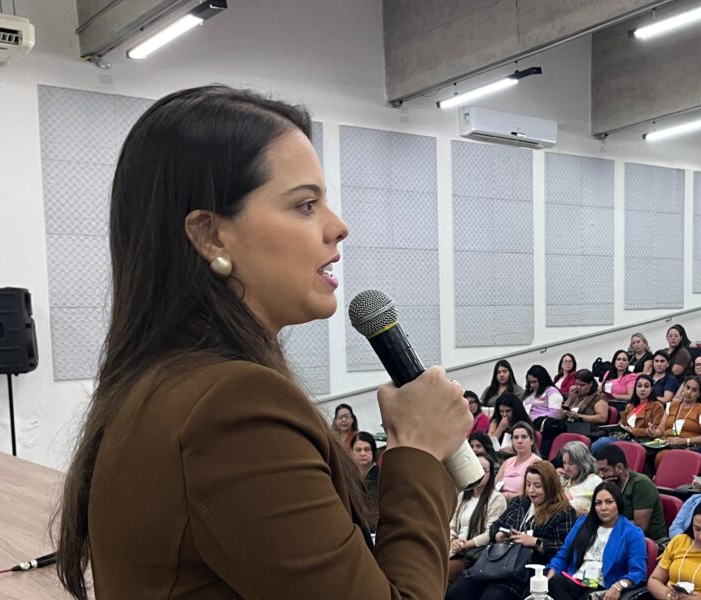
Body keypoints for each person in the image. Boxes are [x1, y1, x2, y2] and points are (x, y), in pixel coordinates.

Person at [56, 86, 473, 599]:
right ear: (210, 235)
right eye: (305, 205)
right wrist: (418, 450)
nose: (338, 227)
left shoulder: (161, 383)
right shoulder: (232, 406)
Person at [446, 461, 576, 600]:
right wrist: (499, 535)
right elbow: (495, 526)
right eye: (528, 485)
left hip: (524, 570)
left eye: (537, 486)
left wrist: (536, 542)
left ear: (550, 486)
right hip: (496, 561)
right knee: (456, 593)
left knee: (493, 597)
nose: (531, 490)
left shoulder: (564, 512)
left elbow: (564, 547)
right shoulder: (519, 502)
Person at [546, 482, 648, 599]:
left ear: (618, 504)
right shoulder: (583, 523)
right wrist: (552, 572)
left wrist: (618, 586)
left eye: (609, 502)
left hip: (602, 588)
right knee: (553, 582)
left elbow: (638, 571)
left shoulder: (632, 533)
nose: (603, 508)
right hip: (576, 581)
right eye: (598, 503)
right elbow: (563, 554)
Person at [449, 453, 508, 582]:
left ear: (491, 474)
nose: (479, 474)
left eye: (484, 471)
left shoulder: (496, 499)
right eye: (476, 468)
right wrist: (453, 540)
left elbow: (490, 533)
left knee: (444, 572)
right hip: (454, 549)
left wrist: (465, 544)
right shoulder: (462, 495)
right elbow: (451, 523)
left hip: (474, 554)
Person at [594, 444, 669, 542]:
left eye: (604, 470)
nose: (600, 475)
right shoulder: (609, 484)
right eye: (598, 471)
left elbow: (640, 526)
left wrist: (604, 523)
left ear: (619, 468)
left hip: (647, 541)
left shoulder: (641, 484)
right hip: (617, 535)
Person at [592, 374, 665, 453]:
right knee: (600, 440)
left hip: (641, 441)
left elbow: (654, 431)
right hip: (625, 437)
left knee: (603, 442)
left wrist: (632, 430)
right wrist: (620, 426)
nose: (642, 389)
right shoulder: (631, 405)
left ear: (652, 389)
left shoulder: (657, 406)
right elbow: (623, 424)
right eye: (639, 386)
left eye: (646, 386)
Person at [543, 369, 610, 456]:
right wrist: (570, 398)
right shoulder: (576, 395)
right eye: (576, 384)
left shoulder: (599, 397)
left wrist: (578, 416)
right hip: (570, 426)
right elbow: (559, 415)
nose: (578, 387)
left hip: (586, 429)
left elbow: (602, 418)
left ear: (590, 384)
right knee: (549, 432)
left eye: (582, 385)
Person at [650, 377, 701, 455]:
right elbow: (661, 429)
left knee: (662, 455)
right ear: (683, 389)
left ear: (698, 394)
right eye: (687, 388)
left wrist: (684, 441)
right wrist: (654, 432)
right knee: (644, 451)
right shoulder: (671, 405)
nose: (689, 392)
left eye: (694, 390)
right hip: (665, 443)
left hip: (686, 447)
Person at [560, 441, 604, 516]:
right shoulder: (563, 480)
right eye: (564, 463)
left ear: (582, 463)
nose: (566, 468)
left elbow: (602, 512)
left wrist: (576, 513)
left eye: (571, 463)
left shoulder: (595, 481)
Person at [498, 422, 541, 501]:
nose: (519, 441)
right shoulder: (508, 462)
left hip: (519, 503)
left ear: (532, 441)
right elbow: (494, 487)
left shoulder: (535, 462)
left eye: (524, 437)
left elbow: (524, 493)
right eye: (516, 437)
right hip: (499, 501)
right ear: (512, 441)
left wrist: (503, 496)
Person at [351, 432, 381, 531]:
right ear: (352, 452)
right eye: (358, 450)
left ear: (373, 451)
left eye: (367, 449)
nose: (363, 454)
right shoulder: (350, 475)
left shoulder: (379, 476)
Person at [526, 364, 566, 429]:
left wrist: (534, 418)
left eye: (534, 382)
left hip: (543, 425)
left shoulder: (552, 391)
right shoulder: (532, 392)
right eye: (529, 382)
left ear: (542, 380)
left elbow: (555, 414)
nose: (531, 385)